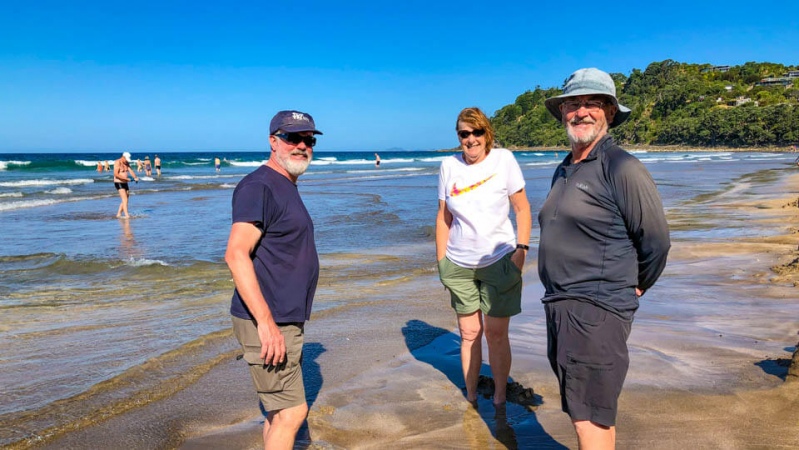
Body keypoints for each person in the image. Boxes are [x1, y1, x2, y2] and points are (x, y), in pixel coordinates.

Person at [538, 68, 671, 449]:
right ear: (562, 112)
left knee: (590, 419)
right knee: (583, 411)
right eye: (572, 104)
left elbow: (656, 241)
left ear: (610, 113)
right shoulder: (565, 168)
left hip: (597, 311)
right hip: (563, 307)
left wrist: (636, 285)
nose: (581, 112)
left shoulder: (621, 167)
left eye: (592, 104)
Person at [224, 110, 322, 448]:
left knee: (278, 413)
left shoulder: (284, 184)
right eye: (291, 138)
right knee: (293, 413)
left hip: (283, 317)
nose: (300, 146)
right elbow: (236, 255)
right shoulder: (259, 186)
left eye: (307, 140)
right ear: (272, 141)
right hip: (270, 321)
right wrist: (266, 324)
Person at [436, 107, 531, 407]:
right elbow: (443, 218)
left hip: (500, 259)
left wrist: (521, 251)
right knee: (468, 332)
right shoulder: (448, 166)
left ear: (487, 133)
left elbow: (523, 209)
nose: (471, 139)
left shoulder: (504, 160)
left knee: (496, 334)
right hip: (458, 264)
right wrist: (442, 261)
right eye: (465, 134)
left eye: (477, 132)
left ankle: (501, 397)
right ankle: (472, 396)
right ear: (459, 137)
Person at [113, 152, 139, 219]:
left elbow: (131, 171)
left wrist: (135, 177)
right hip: (119, 182)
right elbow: (116, 174)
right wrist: (126, 179)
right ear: (123, 157)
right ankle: (126, 215)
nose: (127, 161)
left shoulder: (126, 163)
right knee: (124, 199)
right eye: (126, 159)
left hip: (125, 183)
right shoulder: (117, 162)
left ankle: (118, 214)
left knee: (126, 199)